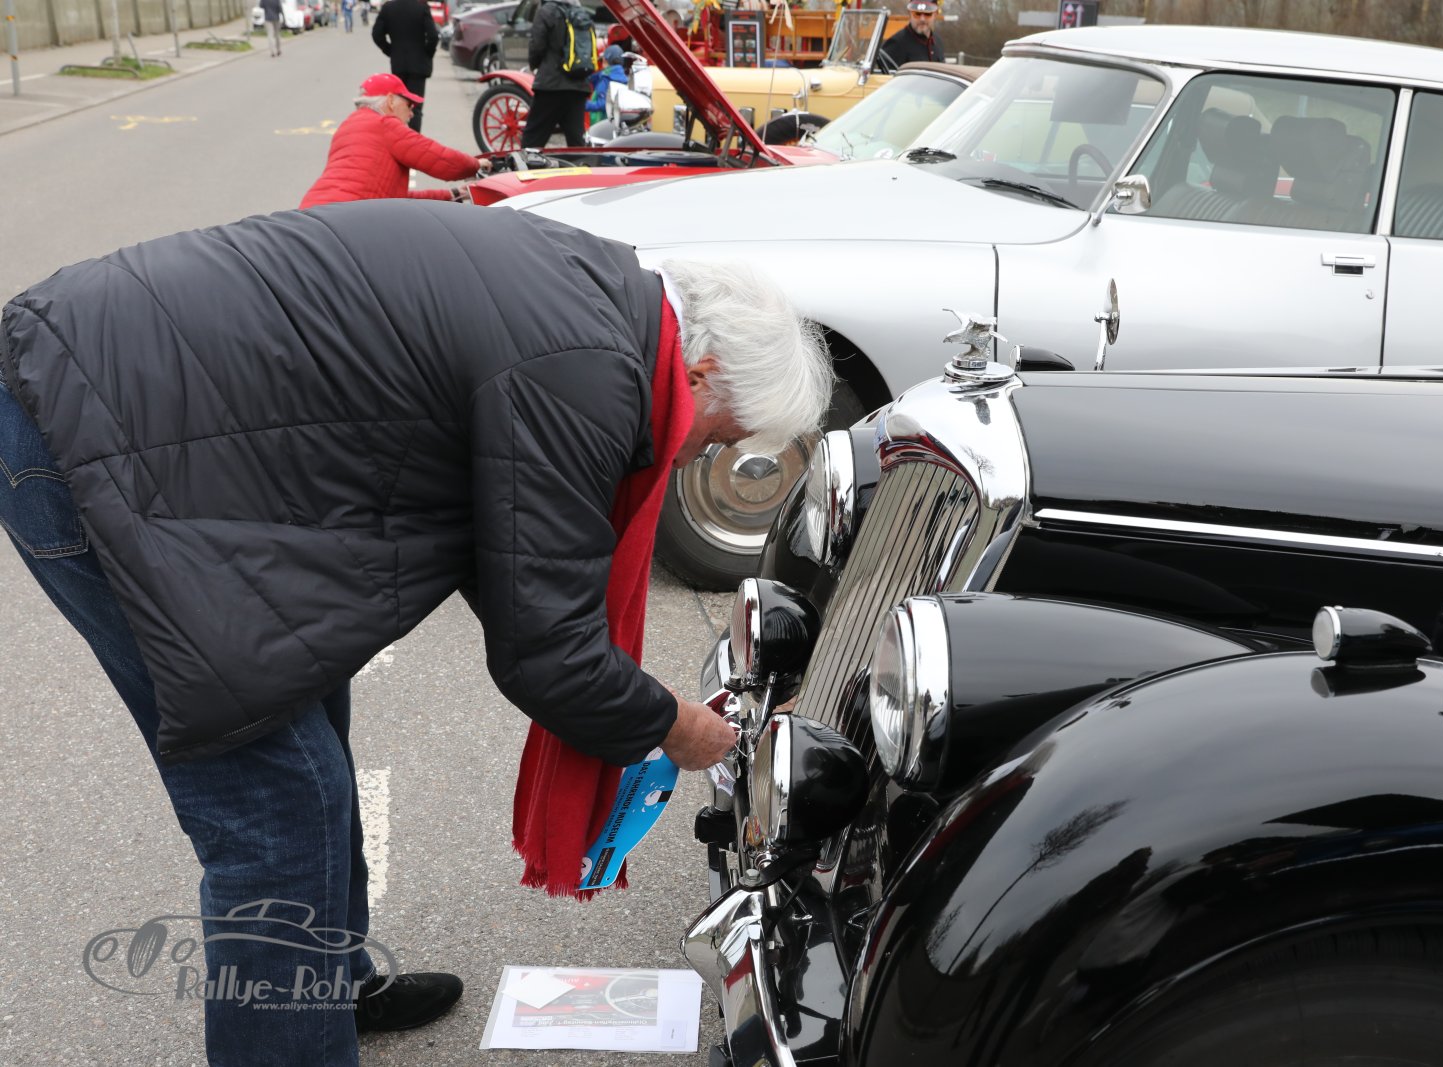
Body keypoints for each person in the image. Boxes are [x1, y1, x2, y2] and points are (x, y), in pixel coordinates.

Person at [0, 199, 832, 1066]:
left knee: (309, 722)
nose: (700, 455)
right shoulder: (587, 371)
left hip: (168, 435)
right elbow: (544, 650)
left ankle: (330, 986)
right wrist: (671, 723)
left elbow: (512, 558)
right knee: (282, 806)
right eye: (720, 437)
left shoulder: (599, 305)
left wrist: (615, 681)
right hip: (90, 441)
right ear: (700, 372)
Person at [300, 73, 484, 208]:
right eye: (409, 105)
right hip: (345, 224)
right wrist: (477, 164)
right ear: (390, 101)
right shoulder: (384, 124)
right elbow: (442, 160)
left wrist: (453, 194)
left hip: (311, 213)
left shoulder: (347, 127)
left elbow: (394, 196)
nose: (412, 113)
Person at [521, 0, 597, 150]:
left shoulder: (546, 12)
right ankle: (580, 165)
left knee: (532, 140)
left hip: (551, 85)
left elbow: (537, 45)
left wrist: (535, 65)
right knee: (577, 144)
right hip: (578, 86)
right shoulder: (582, 13)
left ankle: (527, 165)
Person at [370, 0, 438, 131]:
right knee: (415, 109)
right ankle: (413, 138)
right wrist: (427, 53)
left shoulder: (388, 8)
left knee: (399, 106)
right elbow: (433, 36)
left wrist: (390, 50)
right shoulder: (421, 8)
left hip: (398, 64)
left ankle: (399, 136)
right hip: (419, 66)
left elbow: (377, 34)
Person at [879, 0, 944, 69]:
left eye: (927, 14)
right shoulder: (896, 43)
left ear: (935, 15)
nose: (922, 19)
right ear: (910, 14)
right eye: (917, 14)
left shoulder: (938, 42)